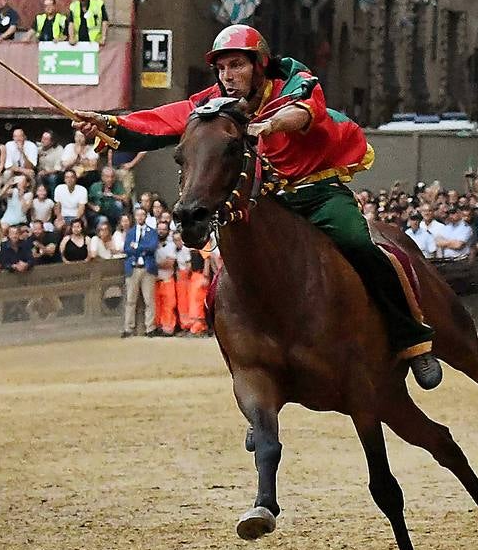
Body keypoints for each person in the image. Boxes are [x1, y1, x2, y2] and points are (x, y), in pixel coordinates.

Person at [75, 23, 442, 386]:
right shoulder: (214, 105)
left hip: (318, 193)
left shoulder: (297, 82)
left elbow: (303, 113)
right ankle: (255, 382)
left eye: (236, 65)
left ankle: (412, 338)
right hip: (271, 202)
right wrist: (108, 122)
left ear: (259, 65)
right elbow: (164, 120)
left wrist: (268, 125)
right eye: (221, 68)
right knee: (228, 279)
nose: (228, 75)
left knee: (361, 246)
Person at [121, 207, 158, 338]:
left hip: (147, 269)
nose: (140, 217)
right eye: (138, 215)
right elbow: (126, 249)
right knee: (130, 300)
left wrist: (137, 247)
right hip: (133, 267)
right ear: (135, 217)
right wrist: (142, 249)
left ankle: (150, 327)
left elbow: (152, 247)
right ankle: (128, 328)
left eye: (143, 215)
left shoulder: (152, 232)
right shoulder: (130, 232)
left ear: (145, 217)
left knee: (149, 300)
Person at [152, 219, 180, 335]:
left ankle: (168, 329)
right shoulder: (152, 244)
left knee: (169, 305)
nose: (161, 231)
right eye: (159, 229)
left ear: (168, 231)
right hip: (155, 281)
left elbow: (169, 263)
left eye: (164, 229)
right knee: (156, 306)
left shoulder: (171, 245)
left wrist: (152, 264)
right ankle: (158, 327)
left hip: (168, 280)